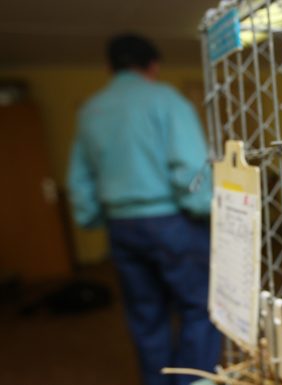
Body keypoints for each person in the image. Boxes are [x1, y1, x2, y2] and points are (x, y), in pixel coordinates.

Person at [67, 34, 221, 385]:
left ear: (109, 67)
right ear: (154, 66)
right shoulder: (167, 100)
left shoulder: (91, 110)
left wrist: (90, 217)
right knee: (200, 308)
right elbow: (190, 169)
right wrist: (206, 210)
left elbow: (80, 180)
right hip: (173, 223)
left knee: (145, 314)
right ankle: (193, 381)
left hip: (122, 227)